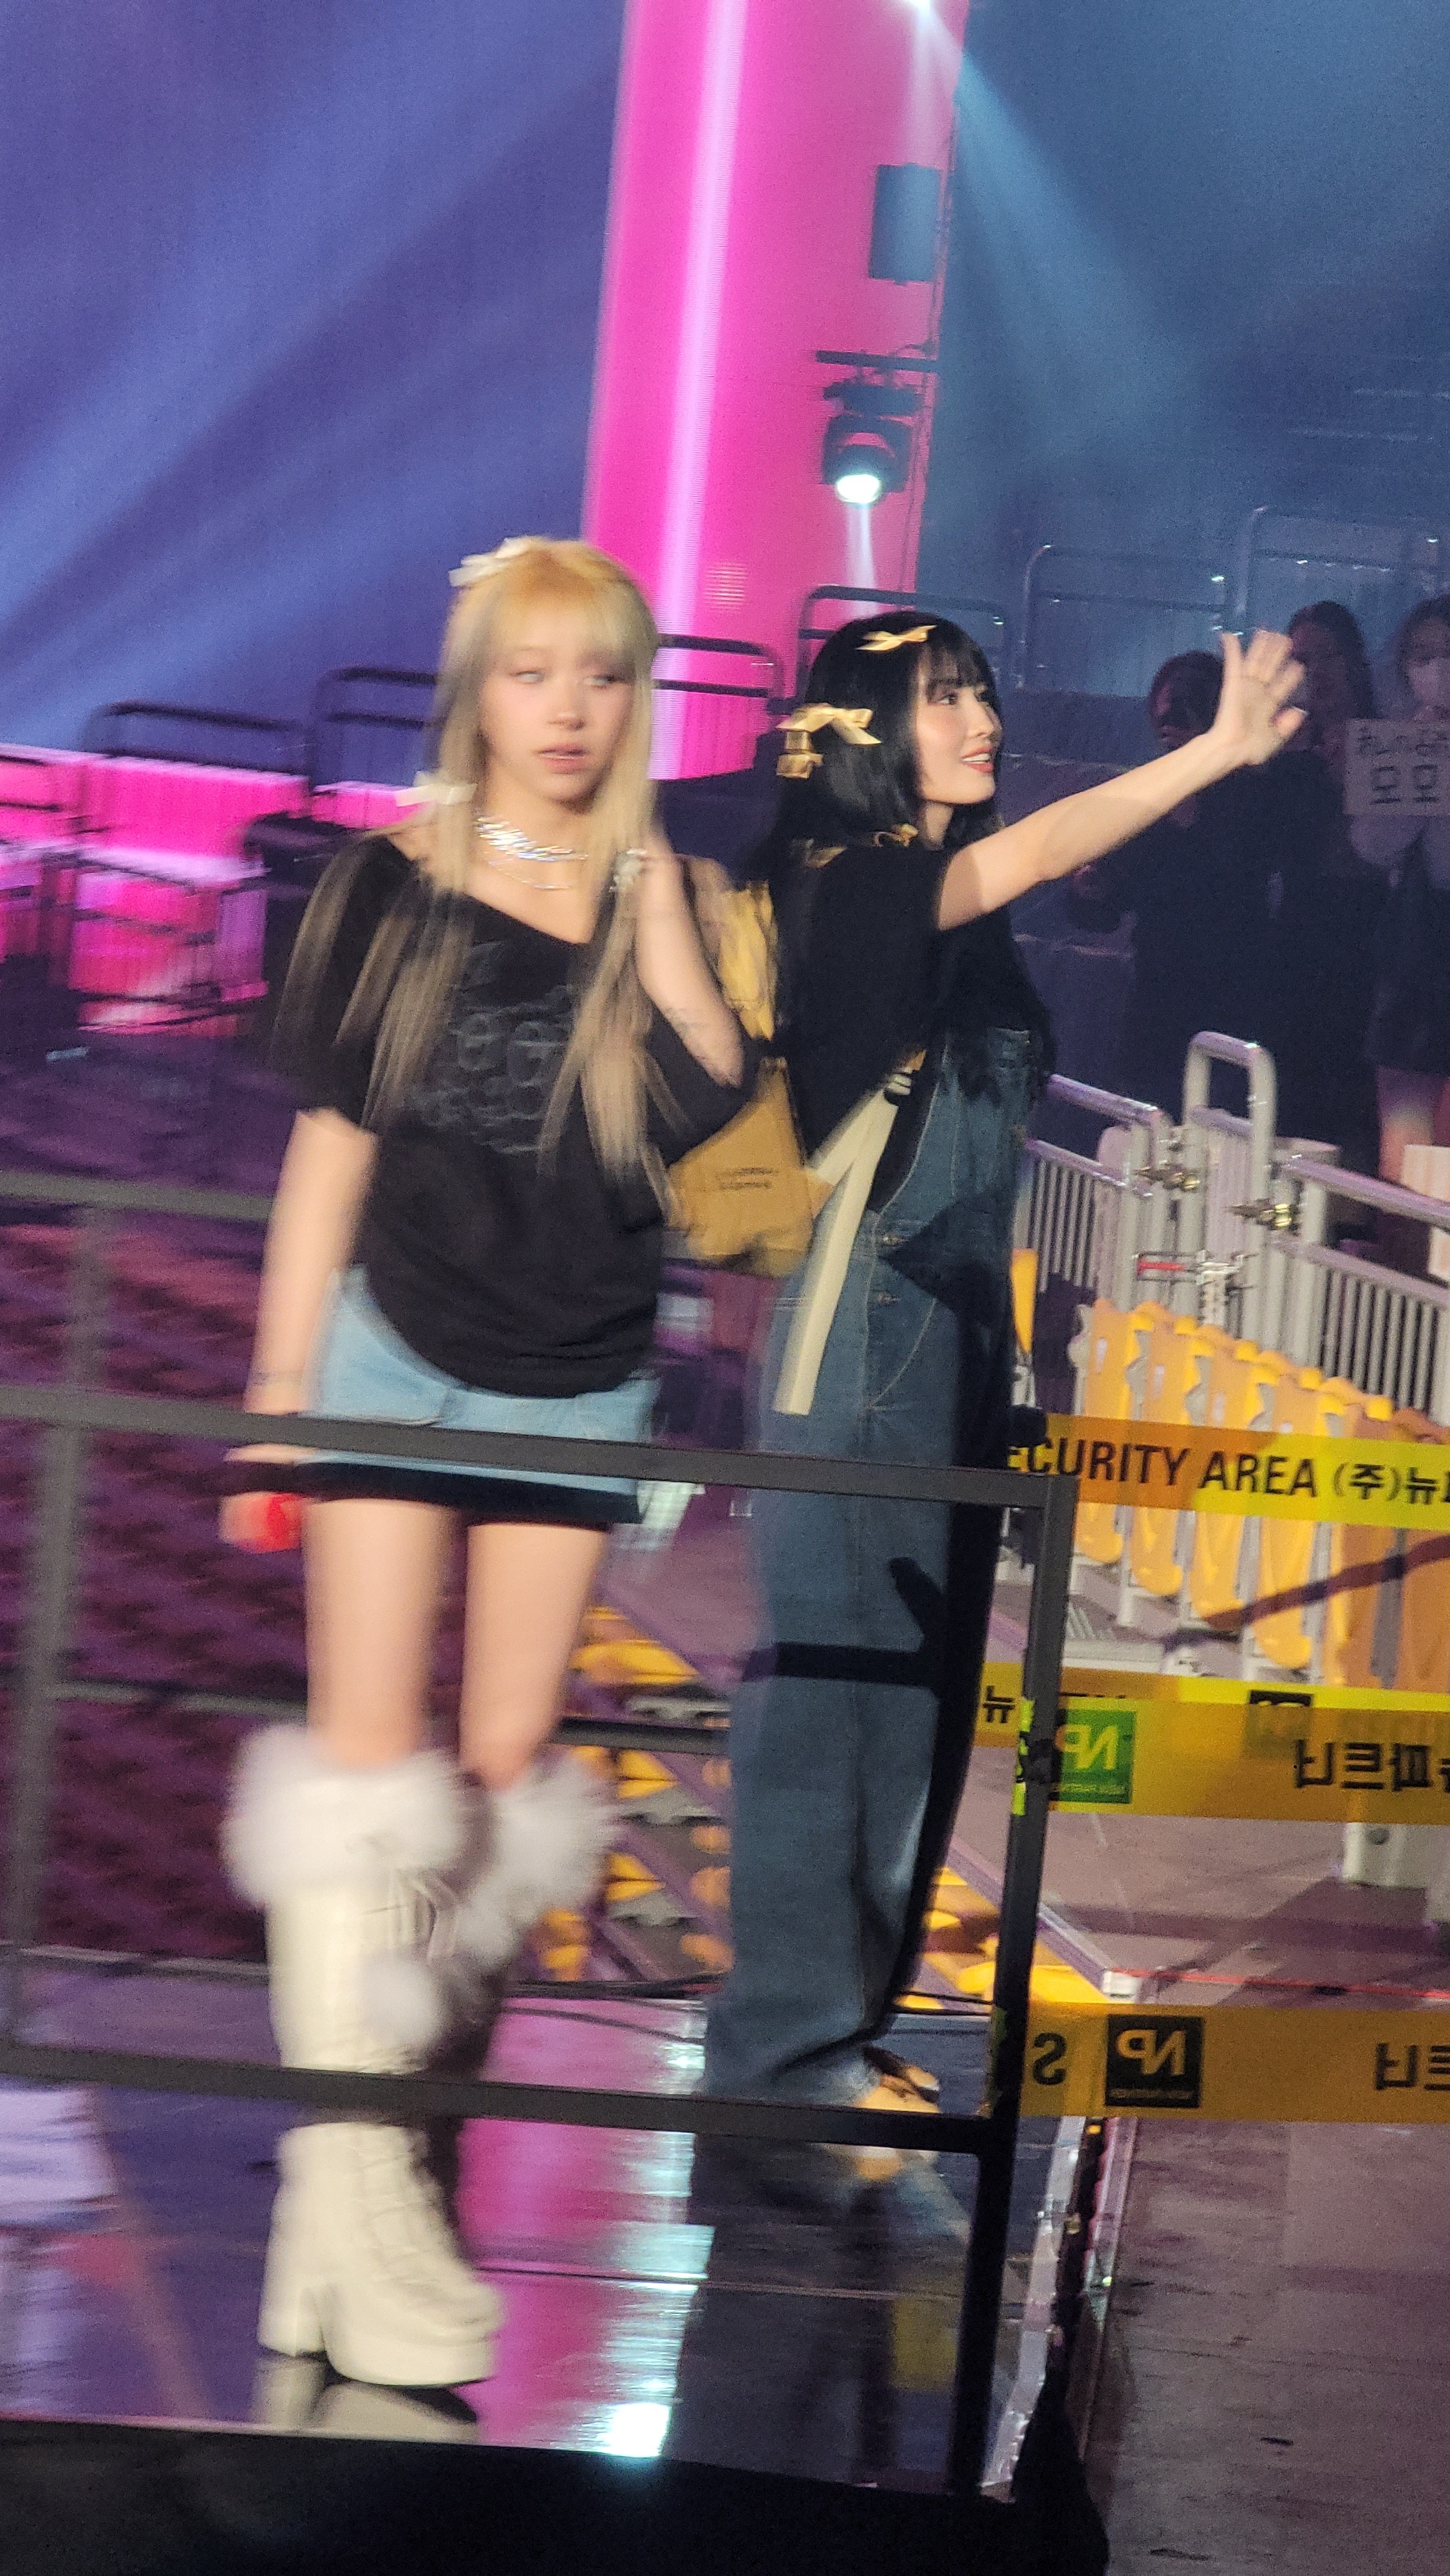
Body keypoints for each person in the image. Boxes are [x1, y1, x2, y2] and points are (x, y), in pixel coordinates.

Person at [219, 536, 757, 2389]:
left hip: (576, 1378)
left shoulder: (659, 887)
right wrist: (277, 1394)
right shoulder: (389, 881)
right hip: (390, 1354)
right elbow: (327, 1155)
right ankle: (366, 2199)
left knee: (504, 1778)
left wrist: (654, 911)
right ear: (476, 690)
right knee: (367, 1781)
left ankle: (353, 2202)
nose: (567, 709)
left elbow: (710, 1111)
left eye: (600, 674)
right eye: (531, 673)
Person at [701, 610, 1302, 2177]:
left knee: (913, 1703)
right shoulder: (854, 879)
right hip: (863, 1327)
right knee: (836, 1701)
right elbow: (1041, 848)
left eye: (974, 690)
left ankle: (840, 2032)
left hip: (952, 1322)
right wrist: (1210, 754)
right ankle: (779, 2064)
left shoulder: (941, 893)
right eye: (938, 698)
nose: (977, 718)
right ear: (862, 732)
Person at [1064, 649, 1276, 1110]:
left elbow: (1240, 872)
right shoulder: (1146, 794)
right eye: (1166, 707)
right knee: (1151, 1121)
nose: (1172, 718)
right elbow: (1106, 905)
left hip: (1234, 995)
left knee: (1224, 1127)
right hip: (1157, 999)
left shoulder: (1253, 795)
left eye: (1188, 704)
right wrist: (1091, 889)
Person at [1263, 600, 1382, 1159]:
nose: (1316, 673)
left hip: (1373, 938)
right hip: (1298, 940)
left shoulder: (1390, 739)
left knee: (1356, 1106)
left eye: (1326, 657)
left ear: (1354, 658)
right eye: (1302, 661)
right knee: (1292, 1097)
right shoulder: (1281, 750)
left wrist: (1349, 778)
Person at [1354, 594, 1450, 1181]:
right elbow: (1371, 844)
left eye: (1446, 652)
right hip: (1415, 974)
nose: (1434, 668)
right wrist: (1423, 754)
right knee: (1406, 1160)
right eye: (1420, 655)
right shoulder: (1399, 740)